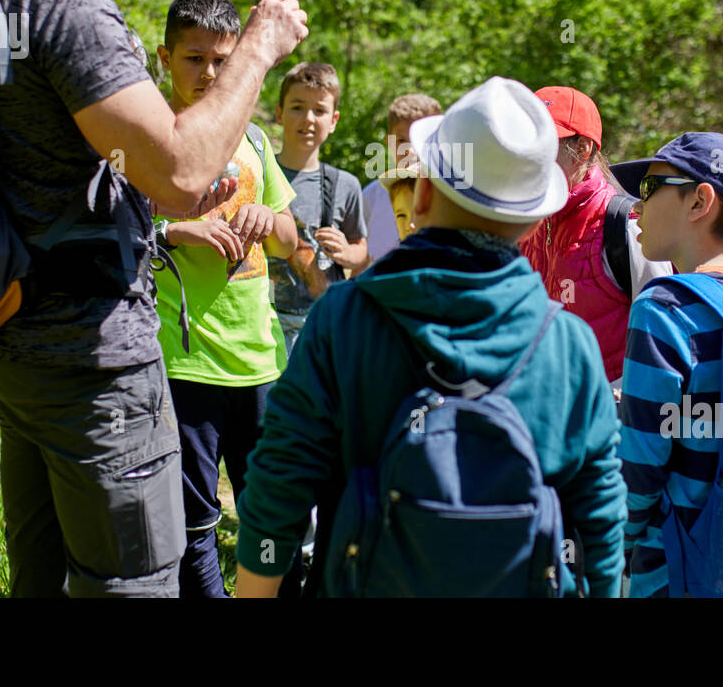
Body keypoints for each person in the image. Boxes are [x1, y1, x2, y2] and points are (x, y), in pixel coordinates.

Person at [0, 0, 307, 597]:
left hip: (8, 333)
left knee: (44, 576)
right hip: (90, 358)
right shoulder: (63, 1)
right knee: (135, 579)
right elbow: (184, 173)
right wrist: (258, 45)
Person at [234, 77, 626, 597]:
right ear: (533, 223)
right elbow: (599, 518)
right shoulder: (569, 347)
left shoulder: (343, 319)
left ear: (419, 196)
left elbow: (278, 487)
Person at [151, 0, 299, 597]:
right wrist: (172, 229)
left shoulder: (256, 141)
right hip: (183, 366)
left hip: (259, 366)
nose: (209, 74)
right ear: (165, 59)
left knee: (269, 517)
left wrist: (268, 218)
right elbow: (109, 223)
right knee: (195, 524)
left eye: (222, 60)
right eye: (193, 59)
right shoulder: (150, 137)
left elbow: (293, 242)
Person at [610, 133, 723, 597]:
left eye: (649, 189)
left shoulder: (663, 310)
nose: (635, 207)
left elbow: (639, 473)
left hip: (674, 571)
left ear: (700, 201)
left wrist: (601, 552)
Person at [518, 86, 671, 386]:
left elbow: (663, 344)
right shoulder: (522, 221)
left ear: (583, 150)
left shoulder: (626, 226)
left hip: (608, 425)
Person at [267, 62, 367, 353]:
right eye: (297, 107)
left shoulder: (345, 184)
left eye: (320, 111)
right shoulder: (260, 173)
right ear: (279, 113)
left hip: (323, 324)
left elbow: (361, 248)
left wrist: (348, 253)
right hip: (265, 322)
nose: (308, 119)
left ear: (334, 120)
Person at [361, 94, 442, 266]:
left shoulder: (448, 198)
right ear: (388, 143)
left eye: (421, 140)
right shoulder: (371, 196)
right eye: (401, 141)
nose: (411, 151)